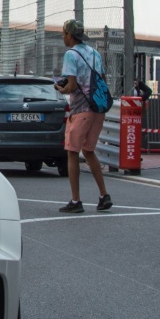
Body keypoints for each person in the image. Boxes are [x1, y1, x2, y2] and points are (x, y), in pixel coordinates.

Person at [54, 19, 111, 213]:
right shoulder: (94, 53)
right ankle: (104, 195)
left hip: (80, 109)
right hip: (97, 109)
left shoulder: (71, 54)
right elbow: (101, 79)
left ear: (70, 35)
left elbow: (70, 86)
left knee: (72, 152)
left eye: (64, 33)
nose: (63, 36)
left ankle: (76, 200)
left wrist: (60, 89)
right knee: (88, 150)